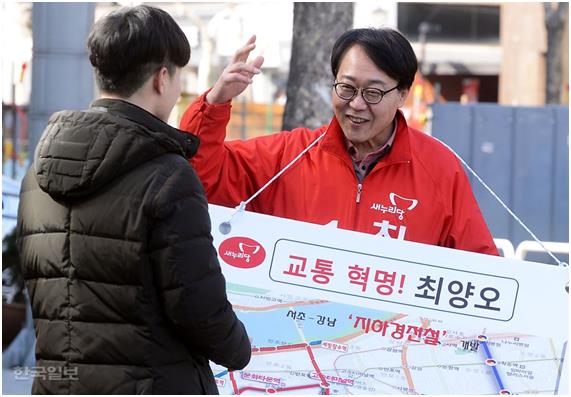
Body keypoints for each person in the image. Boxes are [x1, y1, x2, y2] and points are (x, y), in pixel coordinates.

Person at [16, 5, 250, 394]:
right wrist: (241, 348)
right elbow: (197, 308)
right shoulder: (168, 176)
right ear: (162, 78)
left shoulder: (37, 172)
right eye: (180, 77)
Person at [180, 28, 498, 256]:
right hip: (295, 335)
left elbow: (481, 268)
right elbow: (200, 176)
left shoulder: (439, 168)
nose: (357, 105)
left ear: (402, 94)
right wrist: (215, 104)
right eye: (346, 88)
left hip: (395, 342)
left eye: (373, 93)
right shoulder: (287, 156)